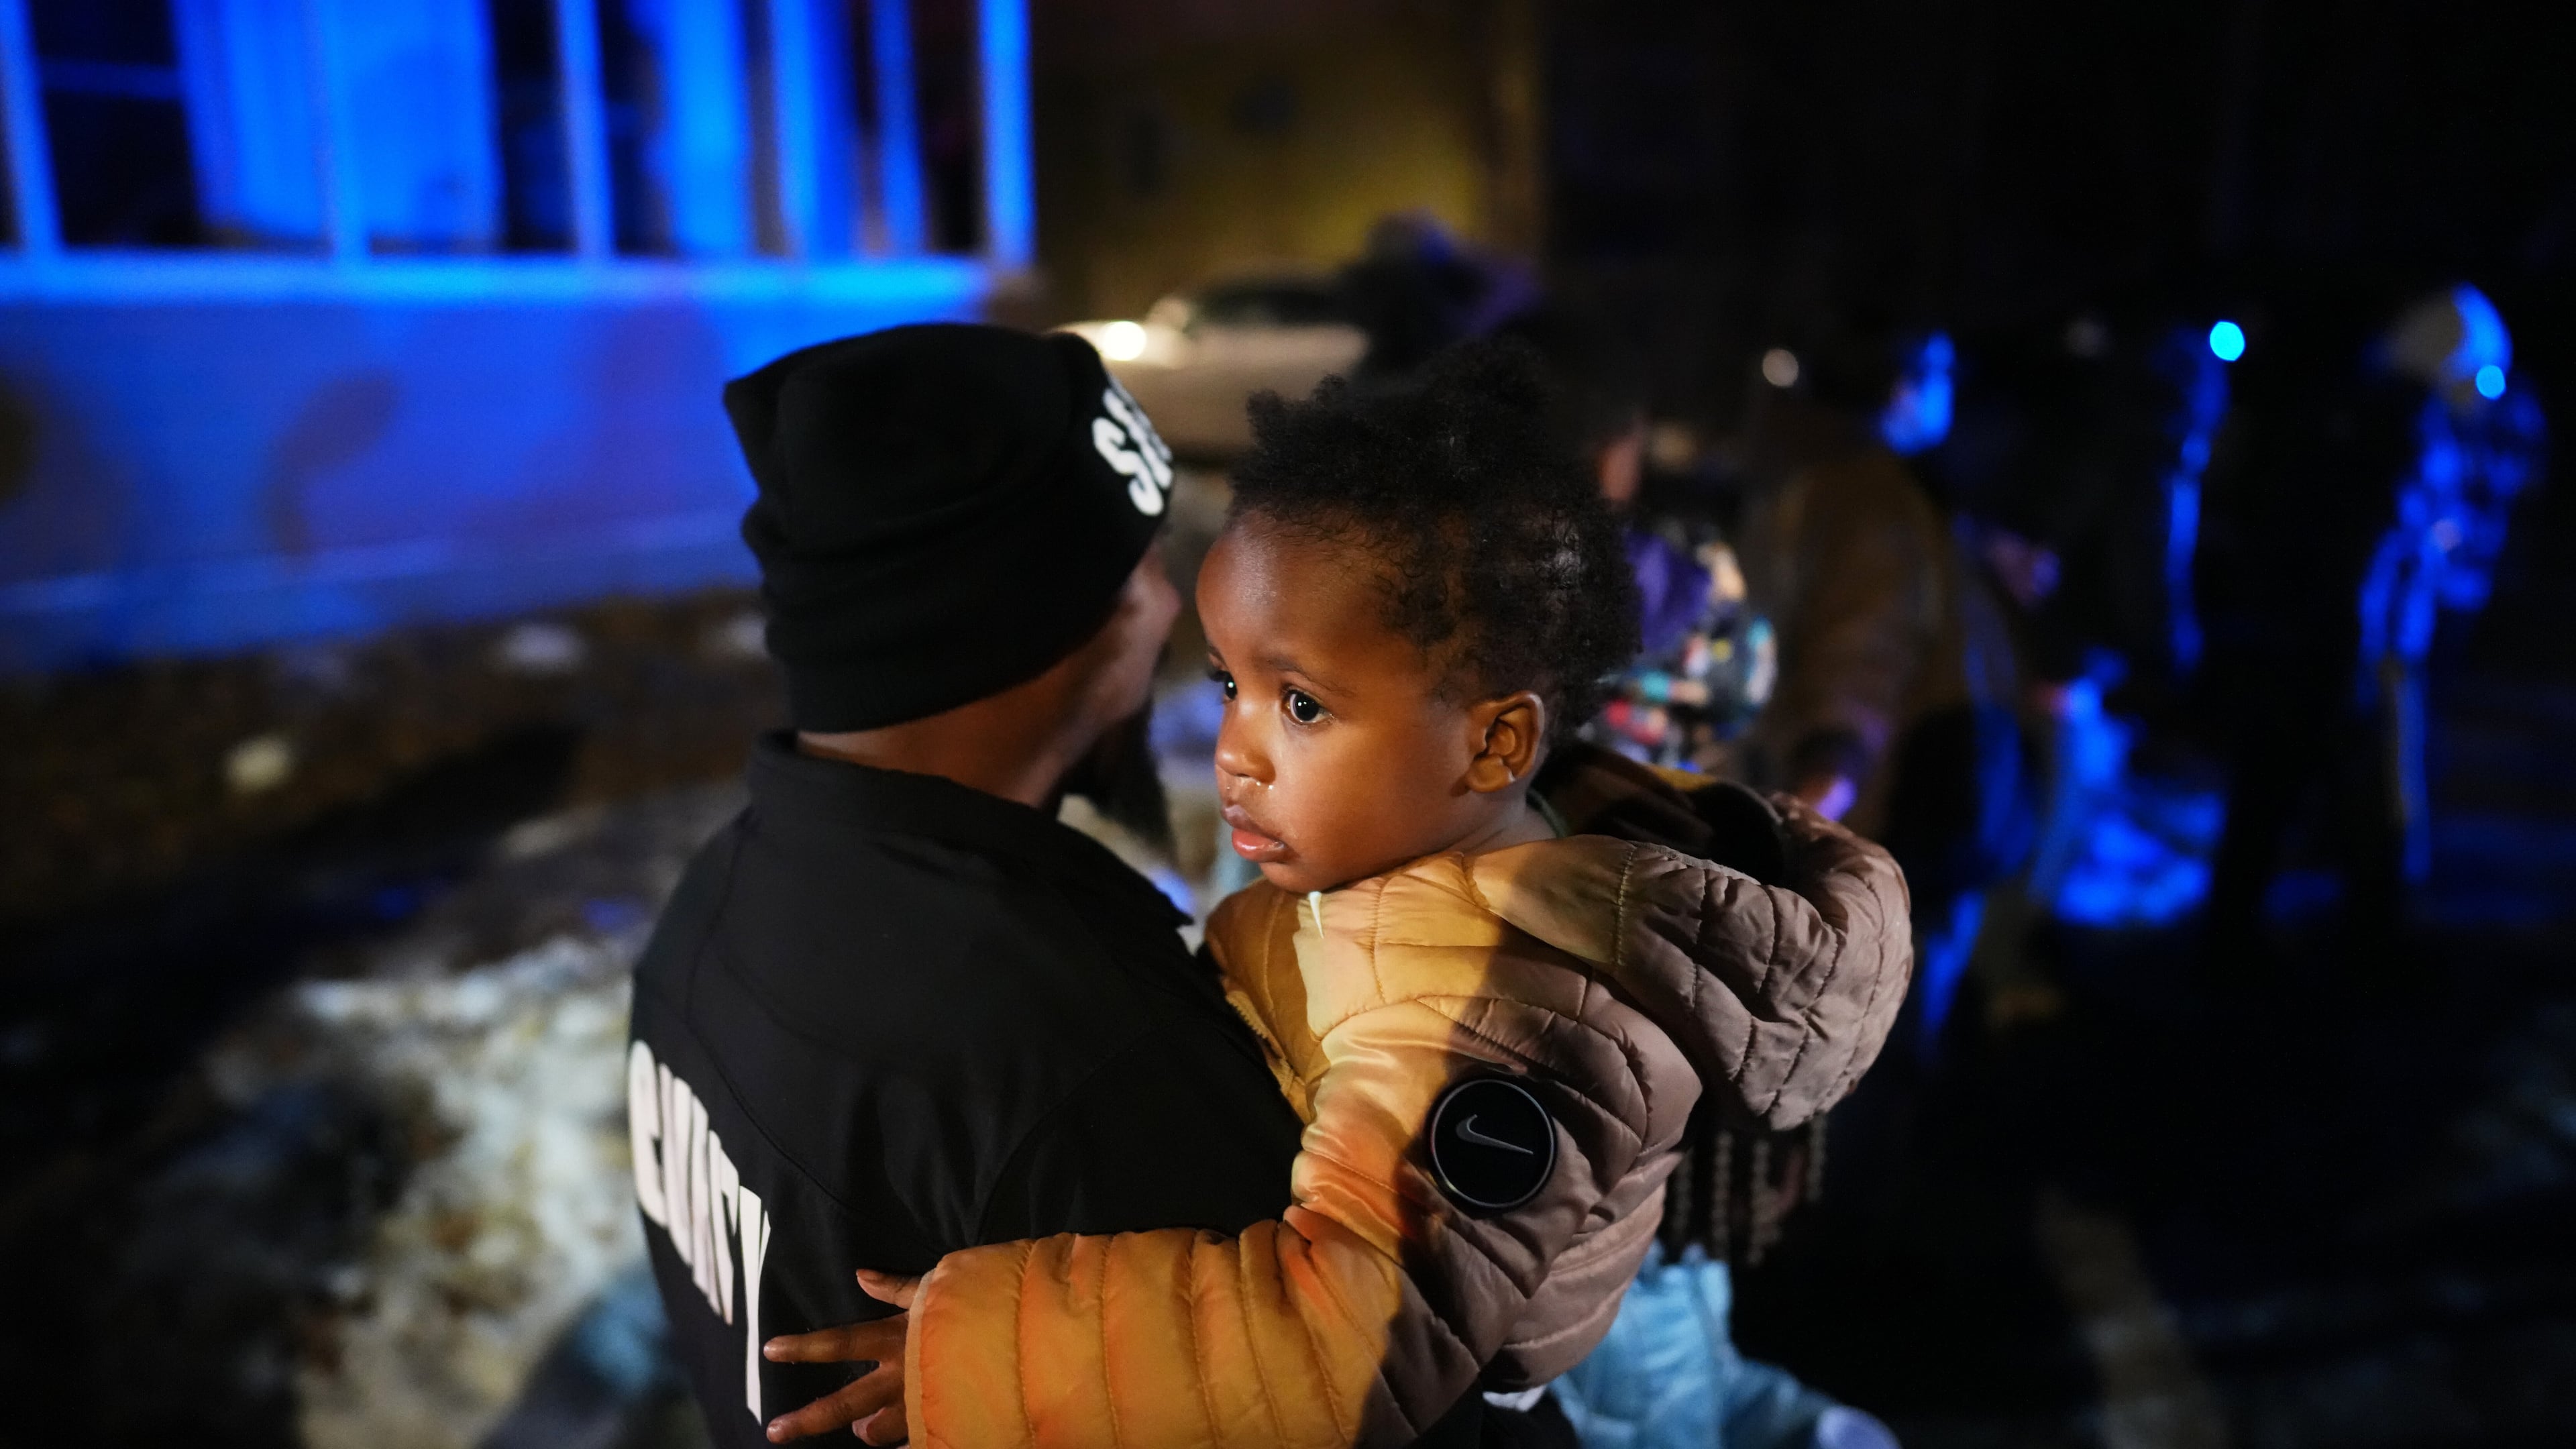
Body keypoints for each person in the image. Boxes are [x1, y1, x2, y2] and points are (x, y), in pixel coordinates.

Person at [760, 344, 1915, 1446]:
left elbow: (1341, 1347)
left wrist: (993, 1359)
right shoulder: (1392, 856)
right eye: (1230, 684)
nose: (1235, 751)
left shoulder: (1494, 1015)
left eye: (1302, 705)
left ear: (1495, 744)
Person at [623, 323, 1512, 1448]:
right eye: (1146, 565)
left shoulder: (712, 910)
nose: (1169, 609)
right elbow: (1372, 1397)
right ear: (1045, 620)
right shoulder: (1075, 1045)